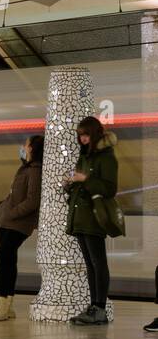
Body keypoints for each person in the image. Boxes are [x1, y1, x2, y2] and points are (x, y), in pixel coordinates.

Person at [65, 117, 118, 326]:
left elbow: (110, 189)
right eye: (80, 136)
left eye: (86, 135)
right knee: (90, 264)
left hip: (94, 217)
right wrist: (70, 183)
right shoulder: (85, 156)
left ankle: (100, 308)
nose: (83, 139)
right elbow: (80, 180)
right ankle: (94, 306)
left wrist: (84, 180)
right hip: (79, 216)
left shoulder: (106, 157)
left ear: (95, 134)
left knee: (98, 263)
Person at [0, 135, 43, 321]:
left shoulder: (35, 171)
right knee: (8, 259)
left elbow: (33, 200)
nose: (23, 147)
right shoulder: (24, 168)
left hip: (18, 222)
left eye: (26, 144)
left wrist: (11, 212)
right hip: (7, 220)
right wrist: (3, 206)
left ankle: (2, 303)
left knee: (2, 257)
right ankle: (7, 305)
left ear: (33, 148)